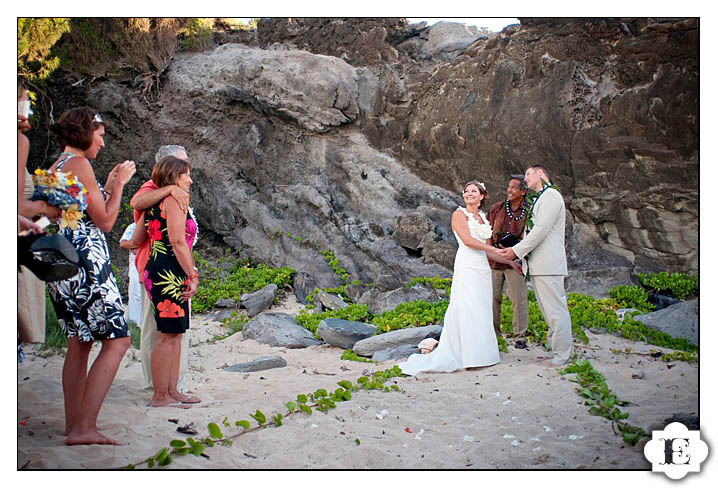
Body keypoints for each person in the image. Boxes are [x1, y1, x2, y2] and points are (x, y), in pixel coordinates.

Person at [45, 107, 136, 445]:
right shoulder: (80, 164)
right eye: (100, 133)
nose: (103, 140)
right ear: (85, 131)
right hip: (86, 262)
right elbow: (106, 221)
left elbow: (69, 211)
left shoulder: (57, 165)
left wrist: (107, 184)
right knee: (118, 341)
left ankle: (74, 427)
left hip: (60, 259)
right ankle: (84, 428)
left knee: (79, 343)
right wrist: (120, 186)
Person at [398, 181, 522, 376]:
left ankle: (482, 355)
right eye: (466, 191)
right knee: (466, 306)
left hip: (482, 268)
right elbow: (468, 241)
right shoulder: (459, 214)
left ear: (482, 196)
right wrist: (493, 248)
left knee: (481, 308)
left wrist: (509, 262)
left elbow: (487, 251)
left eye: (474, 191)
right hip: (467, 266)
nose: (469, 194)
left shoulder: (482, 218)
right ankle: (467, 356)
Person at [134, 156, 199, 407]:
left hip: (162, 268)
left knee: (174, 334)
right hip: (167, 272)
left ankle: (172, 391)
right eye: (186, 175)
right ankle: (161, 395)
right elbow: (177, 241)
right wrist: (192, 274)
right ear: (173, 176)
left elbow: (136, 238)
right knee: (167, 335)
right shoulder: (174, 199)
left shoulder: (158, 201)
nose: (190, 180)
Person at [497, 165, 573, 366]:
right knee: (549, 311)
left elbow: (540, 231)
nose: (525, 179)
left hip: (548, 264)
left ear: (541, 174)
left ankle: (562, 355)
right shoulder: (541, 197)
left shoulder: (551, 196)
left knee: (556, 311)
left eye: (528, 174)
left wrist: (516, 251)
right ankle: (556, 350)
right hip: (539, 265)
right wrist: (522, 259)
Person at [17, 80, 60, 344]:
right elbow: (16, 205)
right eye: (24, 102)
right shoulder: (18, 142)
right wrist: (45, 209)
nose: (29, 110)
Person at [487, 175, 529, 349]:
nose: (509, 190)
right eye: (509, 187)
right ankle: (494, 334)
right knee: (492, 298)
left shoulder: (529, 210)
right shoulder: (497, 208)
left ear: (523, 191)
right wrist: (492, 251)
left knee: (518, 298)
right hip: (495, 260)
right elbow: (487, 233)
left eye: (514, 188)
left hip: (516, 260)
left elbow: (531, 235)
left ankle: (520, 336)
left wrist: (517, 254)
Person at [119, 222, 142, 325]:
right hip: (135, 264)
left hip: (151, 263)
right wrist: (138, 246)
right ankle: (133, 322)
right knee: (135, 293)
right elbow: (123, 243)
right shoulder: (133, 226)